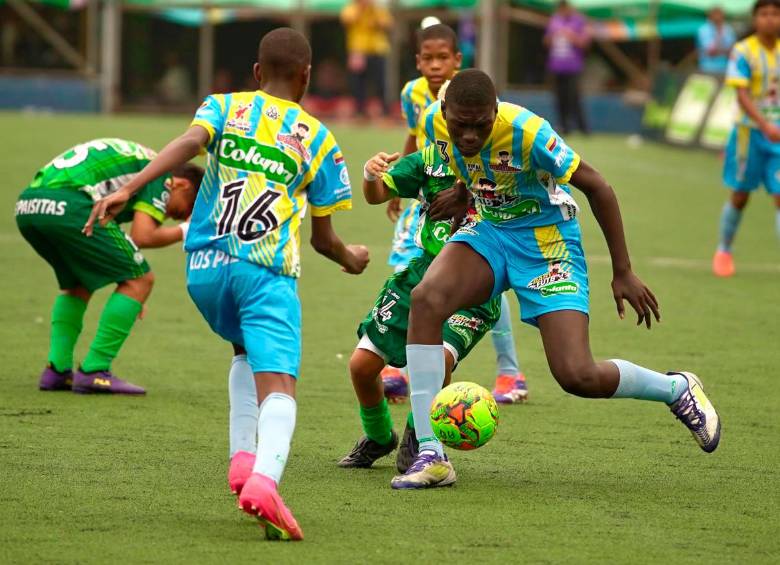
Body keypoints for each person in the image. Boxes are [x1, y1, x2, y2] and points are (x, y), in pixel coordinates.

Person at [83, 28, 370, 541]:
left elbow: (188, 143)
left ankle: (242, 461)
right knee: (279, 383)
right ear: (306, 77)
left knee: (242, 350)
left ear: (257, 72)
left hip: (204, 271)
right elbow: (323, 239)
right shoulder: (319, 139)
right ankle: (264, 481)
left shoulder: (223, 106)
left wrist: (132, 187)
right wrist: (353, 259)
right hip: (264, 273)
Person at [392, 69, 721, 490]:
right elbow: (469, 163)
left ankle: (676, 389)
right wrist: (462, 192)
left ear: (496, 112)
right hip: (489, 230)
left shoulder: (528, 132)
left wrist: (622, 270)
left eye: (481, 125)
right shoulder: (434, 124)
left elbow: (598, 187)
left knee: (576, 374)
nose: (469, 135)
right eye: (461, 125)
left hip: (547, 244)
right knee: (426, 299)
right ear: (444, 112)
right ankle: (430, 453)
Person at [384, 23, 529, 406]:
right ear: (418, 61)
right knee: (410, 269)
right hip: (429, 194)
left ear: (457, 60)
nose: (435, 65)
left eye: (443, 58)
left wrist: (466, 193)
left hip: (470, 195)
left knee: (484, 284)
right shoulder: (412, 94)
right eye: (428, 58)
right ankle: (397, 365)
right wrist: (397, 182)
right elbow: (415, 138)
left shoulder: (472, 96)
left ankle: (510, 371)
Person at [338, 144, 501, 472]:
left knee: (439, 359)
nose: (465, 132)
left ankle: (419, 434)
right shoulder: (430, 159)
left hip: (475, 282)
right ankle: (379, 437)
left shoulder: (500, 160)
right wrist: (370, 174)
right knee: (361, 366)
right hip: (422, 273)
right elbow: (376, 194)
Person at [16, 138, 202, 395]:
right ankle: (94, 370)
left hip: (28, 205)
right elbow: (143, 235)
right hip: (71, 203)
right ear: (181, 185)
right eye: (183, 210)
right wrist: (187, 229)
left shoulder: (140, 164)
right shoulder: (161, 173)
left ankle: (56, 370)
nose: (170, 216)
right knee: (141, 280)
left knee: (78, 283)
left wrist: (128, 297)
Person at [713, 0, 780, 277]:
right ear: (755, 19)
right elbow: (741, 95)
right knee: (741, 196)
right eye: (764, 14)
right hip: (748, 134)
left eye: (775, 13)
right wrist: (765, 124)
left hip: (778, 138)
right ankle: (724, 250)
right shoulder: (743, 51)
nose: (770, 19)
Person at [544, 0, 590, 135]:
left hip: (573, 67)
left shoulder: (579, 21)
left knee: (574, 97)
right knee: (560, 98)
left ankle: (583, 128)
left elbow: (585, 42)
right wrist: (553, 37)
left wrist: (571, 36)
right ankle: (564, 126)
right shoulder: (554, 20)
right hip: (556, 66)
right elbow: (546, 41)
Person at [340, 0, 393, 117]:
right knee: (358, 83)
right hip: (358, 50)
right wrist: (362, 9)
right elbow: (347, 20)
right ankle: (360, 110)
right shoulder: (352, 7)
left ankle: (385, 110)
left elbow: (387, 24)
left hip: (378, 49)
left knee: (380, 81)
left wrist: (373, 11)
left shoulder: (378, 9)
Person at [697, 7, 737, 75]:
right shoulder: (703, 30)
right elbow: (711, 51)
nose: (718, 18)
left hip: (725, 68)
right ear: (710, 17)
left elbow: (733, 50)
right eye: (716, 16)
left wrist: (720, 51)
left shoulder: (728, 29)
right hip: (707, 68)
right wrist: (719, 33)